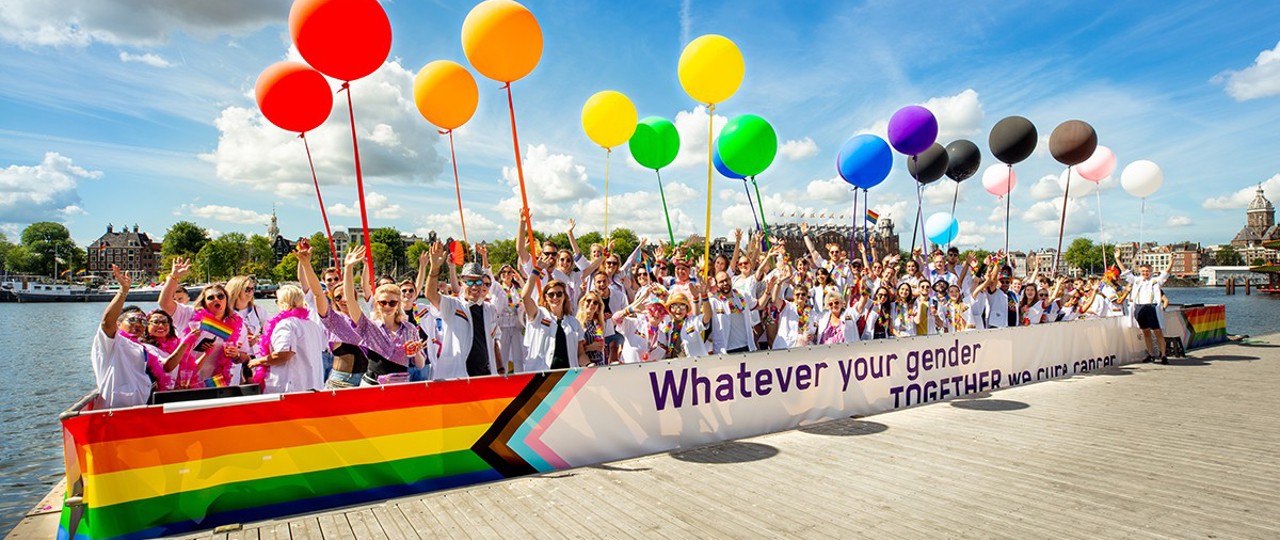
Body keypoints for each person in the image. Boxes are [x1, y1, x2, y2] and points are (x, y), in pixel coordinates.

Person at [91, 264, 191, 408]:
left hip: (141, 409)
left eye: (143, 321)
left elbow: (165, 368)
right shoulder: (113, 342)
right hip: (114, 412)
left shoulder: (141, 347)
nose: (138, 324)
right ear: (119, 323)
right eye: (132, 320)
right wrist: (123, 291)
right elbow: (107, 322)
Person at [330, 245, 426, 385]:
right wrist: (348, 268)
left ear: (398, 304)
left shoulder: (409, 329)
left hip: (399, 386)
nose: (387, 306)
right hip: (372, 385)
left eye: (392, 303)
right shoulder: (369, 327)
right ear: (376, 303)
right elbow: (351, 299)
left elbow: (420, 365)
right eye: (383, 303)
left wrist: (416, 352)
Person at [423, 242, 505, 379]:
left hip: (485, 375)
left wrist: (501, 368)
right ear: (461, 283)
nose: (475, 287)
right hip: (457, 376)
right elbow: (431, 295)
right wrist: (434, 269)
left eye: (478, 282)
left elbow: (494, 340)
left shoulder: (490, 309)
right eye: (470, 282)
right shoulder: (453, 305)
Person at [296, 243, 368, 388]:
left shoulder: (363, 321)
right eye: (338, 297)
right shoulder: (334, 320)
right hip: (342, 381)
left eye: (346, 295)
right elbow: (317, 293)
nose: (343, 300)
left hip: (365, 380)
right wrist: (306, 265)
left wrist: (356, 267)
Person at [248, 285, 325, 394]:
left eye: (277, 301)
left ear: (283, 302)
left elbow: (283, 354)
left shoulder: (286, 324)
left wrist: (258, 361)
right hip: (313, 384)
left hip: (291, 388)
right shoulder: (312, 325)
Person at [520, 258, 588, 371]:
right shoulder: (539, 314)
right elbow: (525, 296)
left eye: (559, 294)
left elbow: (580, 354)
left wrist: (588, 365)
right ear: (545, 297)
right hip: (541, 378)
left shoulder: (573, 322)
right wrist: (536, 270)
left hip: (568, 377)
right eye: (551, 295)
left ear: (564, 296)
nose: (555, 298)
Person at [1116, 248, 1174, 364]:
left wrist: (1171, 260)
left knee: (1157, 332)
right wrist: (1117, 258)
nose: (1145, 273)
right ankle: (1151, 354)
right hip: (1139, 307)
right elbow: (1125, 272)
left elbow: (1166, 273)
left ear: (1151, 271)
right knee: (1145, 332)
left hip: (1152, 307)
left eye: (1147, 271)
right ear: (1140, 271)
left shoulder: (1156, 281)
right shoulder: (1137, 280)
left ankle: (1163, 355)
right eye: (1143, 271)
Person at [708, 270, 759, 354]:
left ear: (730, 280)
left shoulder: (742, 295)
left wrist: (768, 291)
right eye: (721, 282)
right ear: (717, 285)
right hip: (725, 350)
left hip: (746, 346)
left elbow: (758, 305)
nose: (725, 283)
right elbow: (705, 318)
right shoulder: (713, 301)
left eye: (726, 280)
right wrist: (704, 293)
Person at [577, 291, 608, 366]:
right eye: (588, 300)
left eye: (595, 302)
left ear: (598, 308)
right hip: (584, 366)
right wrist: (589, 348)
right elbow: (573, 349)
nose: (591, 304)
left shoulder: (598, 324)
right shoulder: (576, 323)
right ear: (583, 303)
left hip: (599, 364)